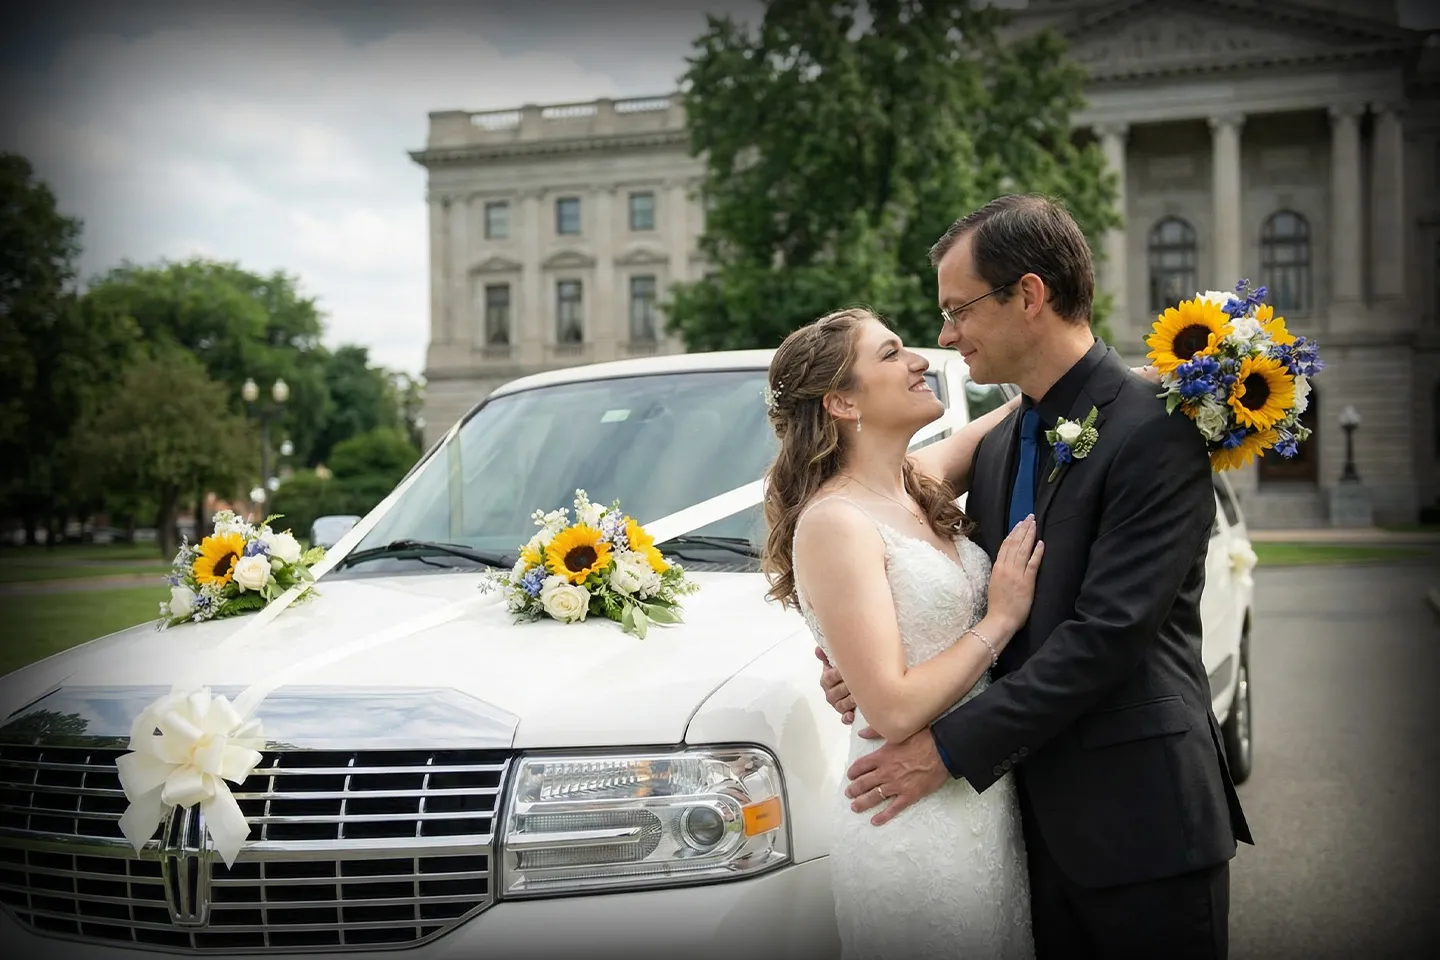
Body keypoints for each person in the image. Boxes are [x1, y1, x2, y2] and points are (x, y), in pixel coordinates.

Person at [818, 194, 1253, 958]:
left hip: (1142, 830)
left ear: (1028, 295)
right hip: (1023, 834)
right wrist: (877, 660)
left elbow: (1106, 636)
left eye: (957, 310)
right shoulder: (996, 446)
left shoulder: (1157, 431)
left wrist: (945, 748)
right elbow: (970, 591)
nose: (945, 336)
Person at [763, 305, 1042, 958]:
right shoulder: (835, 522)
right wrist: (1000, 618)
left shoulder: (915, 485)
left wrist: (1169, 372)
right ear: (841, 402)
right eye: (890, 354)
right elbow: (890, 709)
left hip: (979, 806)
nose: (919, 360)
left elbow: (1028, 403)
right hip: (909, 825)